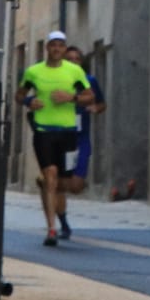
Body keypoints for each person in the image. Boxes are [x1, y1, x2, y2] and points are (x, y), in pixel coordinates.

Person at [19, 31, 90, 246]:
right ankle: (51, 229)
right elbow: (19, 95)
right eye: (53, 45)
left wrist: (72, 97)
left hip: (68, 132)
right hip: (43, 131)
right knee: (51, 176)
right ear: (47, 48)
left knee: (70, 183)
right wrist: (29, 102)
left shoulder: (75, 71)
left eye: (60, 45)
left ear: (64, 48)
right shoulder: (33, 72)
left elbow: (90, 96)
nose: (56, 49)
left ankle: (49, 192)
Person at [60, 46, 107, 200]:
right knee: (61, 183)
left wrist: (96, 108)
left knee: (75, 187)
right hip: (61, 139)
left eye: (77, 59)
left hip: (81, 139)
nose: (74, 62)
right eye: (69, 59)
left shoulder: (90, 81)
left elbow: (102, 104)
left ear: (81, 62)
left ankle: (61, 185)